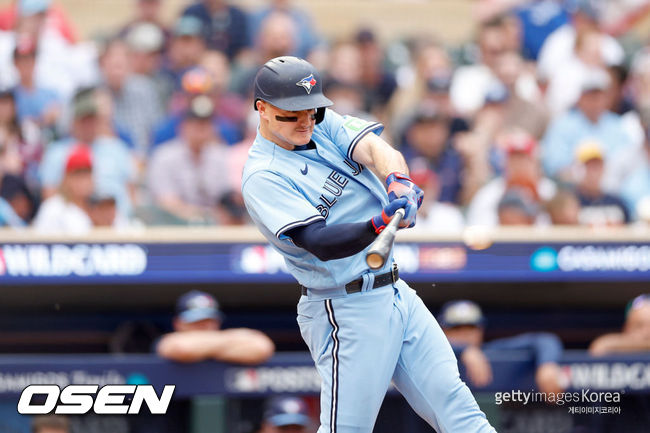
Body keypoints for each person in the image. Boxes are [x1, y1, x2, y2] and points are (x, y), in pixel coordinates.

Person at [242, 56, 495, 433]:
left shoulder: (320, 125)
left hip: (395, 292)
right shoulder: (263, 174)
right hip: (344, 306)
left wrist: (397, 180)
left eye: (310, 111)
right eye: (292, 114)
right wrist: (378, 223)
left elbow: (378, 150)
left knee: (459, 412)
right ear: (262, 109)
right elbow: (318, 241)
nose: (304, 121)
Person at [439, 300, 565, 395]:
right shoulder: (434, 356)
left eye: (471, 327)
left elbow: (544, 340)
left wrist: (547, 364)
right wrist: (464, 350)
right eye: (456, 328)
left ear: (480, 330)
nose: (465, 334)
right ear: (443, 331)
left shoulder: (490, 352)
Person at [156, 290, 275, 364]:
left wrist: (204, 350)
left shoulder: (219, 342)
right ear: (178, 323)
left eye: (209, 320)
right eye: (196, 321)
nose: (204, 326)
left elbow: (262, 347)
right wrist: (229, 344)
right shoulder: (168, 341)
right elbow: (181, 349)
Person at [33, 144, 94, 234]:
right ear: (66, 178)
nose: (83, 181)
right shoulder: (52, 208)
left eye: (86, 174)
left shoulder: (101, 206)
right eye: (77, 175)